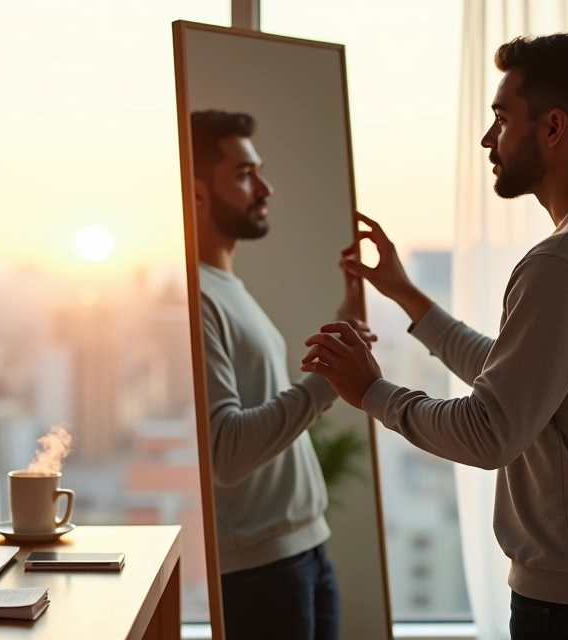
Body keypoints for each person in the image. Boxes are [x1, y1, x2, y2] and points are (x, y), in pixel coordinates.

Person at [301, 33, 568, 638]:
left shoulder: (564, 261)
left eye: (502, 118)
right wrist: (408, 296)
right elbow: (525, 379)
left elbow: (489, 432)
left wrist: (373, 392)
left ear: (553, 128)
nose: (487, 139)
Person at [190, 109, 374, 640]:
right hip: (260, 574)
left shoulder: (227, 288)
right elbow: (225, 452)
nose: (265, 187)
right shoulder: (198, 297)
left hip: (304, 551)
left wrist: (347, 322)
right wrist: (327, 382)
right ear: (197, 194)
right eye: (245, 174)